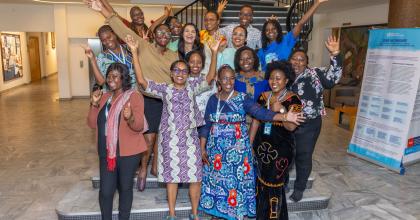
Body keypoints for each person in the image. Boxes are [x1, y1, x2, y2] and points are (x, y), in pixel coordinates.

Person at [86, 0, 180, 191]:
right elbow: (122, 29)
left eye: (167, 33)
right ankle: (143, 168)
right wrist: (103, 11)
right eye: (159, 32)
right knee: (148, 137)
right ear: (153, 35)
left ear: (171, 36)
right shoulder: (144, 46)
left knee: (163, 137)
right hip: (148, 98)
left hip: (168, 100)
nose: (163, 35)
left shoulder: (174, 55)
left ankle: (154, 166)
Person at [126, 34, 220, 220]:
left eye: (184, 71)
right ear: (171, 73)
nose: (180, 73)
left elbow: (209, 77)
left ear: (187, 74)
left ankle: (195, 215)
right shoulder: (165, 89)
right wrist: (135, 52)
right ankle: (171, 214)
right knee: (172, 177)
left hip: (191, 140)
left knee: (195, 177)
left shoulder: (193, 86)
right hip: (170, 141)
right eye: (176, 70)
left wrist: (215, 51)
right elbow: (142, 81)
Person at [199, 65, 305, 220]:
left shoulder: (243, 98)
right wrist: (202, 148)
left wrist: (283, 116)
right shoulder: (212, 100)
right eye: (225, 78)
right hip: (217, 153)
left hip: (238, 152)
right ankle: (219, 214)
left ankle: (234, 214)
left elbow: (260, 112)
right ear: (218, 80)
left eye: (232, 78)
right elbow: (206, 126)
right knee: (217, 185)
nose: (229, 81)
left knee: (235, 185)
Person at [87, 63, 147, 220]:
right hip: (106, 153)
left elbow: (139, 125)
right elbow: (92, 124)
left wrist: (130, 117)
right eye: (108, 76)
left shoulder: (134, 96)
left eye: (115, 76)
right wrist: (93, 104)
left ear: (124, 78)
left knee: (125, 188)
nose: (110, 79)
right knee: (106, 191)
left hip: (129, 153)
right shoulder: (104, 97)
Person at [289, 35, 342, 202]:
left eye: (301, 60)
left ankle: (299, 187)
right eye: (294, 59)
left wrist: (335, 55)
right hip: (286, 122)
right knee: (287, 153)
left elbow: (332, 80)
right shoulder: (283, 74)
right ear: (290, 60)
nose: (297, 63)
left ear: (306, 62)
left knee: (303, 156)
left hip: (309, 125)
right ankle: (282, 182)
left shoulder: (316, 74)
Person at [249, 61, 302, 220]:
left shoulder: (294, 100)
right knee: (260, 183)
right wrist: (250, 144)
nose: (274, 82)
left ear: (286, 81)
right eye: (271, 78)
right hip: (261, 149)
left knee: (274, 185)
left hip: (281, 152)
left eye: (278, 78)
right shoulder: (263, 96)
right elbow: (256, 121)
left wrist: (280, 108)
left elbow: (291, 127)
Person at [257, 0, 327, 73]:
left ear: (278, 30)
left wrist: (317, 3)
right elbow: (261, 71)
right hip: (271, 82)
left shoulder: (287, 40)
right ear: (264, 33)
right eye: (267, 30)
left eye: (273, 28)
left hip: (288, 80)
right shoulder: (261, 52)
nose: (270, 31)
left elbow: (301, 23)